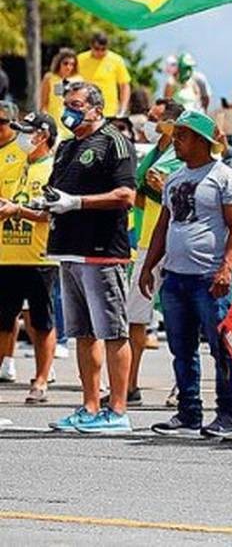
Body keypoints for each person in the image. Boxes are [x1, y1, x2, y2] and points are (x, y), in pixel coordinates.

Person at [140, 111, 232, 438]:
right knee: (181, 348)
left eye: (182, 136)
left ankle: (228, 413)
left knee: (222, 347)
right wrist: (149, 266)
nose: (176, 141)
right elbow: (164, 224)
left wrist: (226, 268)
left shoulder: (226, 178)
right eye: (176, 136)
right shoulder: (173, 179)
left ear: (204, 142)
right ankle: (188, 412)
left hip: (209, 277)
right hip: (176, 276)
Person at [41, 82, 136, 433]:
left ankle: (118, 410)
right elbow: (58, 191)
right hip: (68, 248)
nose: (71, 111)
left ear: (97, 108)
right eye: (67, 104)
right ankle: (90, 405)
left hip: (101, 250)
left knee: (112, 331)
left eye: (78, 104)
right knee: (83, 332)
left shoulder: (113, 141)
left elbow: (126, 194)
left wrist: (77, 203)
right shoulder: (66, 147)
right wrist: (46, 203)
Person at [122, 99, 184, 407]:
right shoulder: (153, 153)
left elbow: (174, 194)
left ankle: (182, 385)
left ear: (170, 124)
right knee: (135, 315)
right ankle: (129, 383)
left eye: (154, 118)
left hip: (173, 242)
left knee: (177, 317)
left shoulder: (181, 155)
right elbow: (142, 194)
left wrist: (157, 187)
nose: (148, 122)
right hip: (147, 240)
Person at [0, 113, 59, 404]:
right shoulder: (10, 162)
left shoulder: (54, 169)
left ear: (43, 135)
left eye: (28, 132)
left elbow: (51, 213)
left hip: (40, 256)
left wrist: (17, 211)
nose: (21, 137)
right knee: (3, 319)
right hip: (7, 254)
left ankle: (41, 378)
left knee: (41, 321)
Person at [0, 101, 26, 383]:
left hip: (20, 244)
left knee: (24, 311)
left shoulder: (21, 153)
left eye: (2, 123)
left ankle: (10, 360)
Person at [77, 32, 131, 118]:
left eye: (103, 49)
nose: (100, 52)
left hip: (109, 112)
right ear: (91, 46)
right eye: (97, 49)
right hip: (84, 111)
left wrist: (122, 109)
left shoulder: (116, 60)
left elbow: (124, 85)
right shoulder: (80, 59)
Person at [38, 49, 82, 138]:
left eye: (72, 64)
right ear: (59, 63)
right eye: (65, 63)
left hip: (71, 125)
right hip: (53, 124)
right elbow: (44, 104)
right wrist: (45, 123)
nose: (69, 67)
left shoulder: (79, 80)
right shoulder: (49, 78)